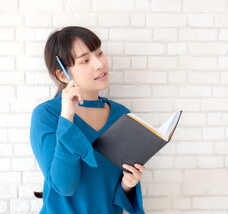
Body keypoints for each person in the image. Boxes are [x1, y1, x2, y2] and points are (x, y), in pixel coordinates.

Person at [30, 26, 145, 214]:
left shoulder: (122, 115)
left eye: (99, 53)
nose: (100, 64)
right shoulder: (47, 115)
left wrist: (128, 184)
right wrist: (67, 117)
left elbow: (111, 191)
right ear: (62, 74)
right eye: (85, 60)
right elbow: (65, 186)